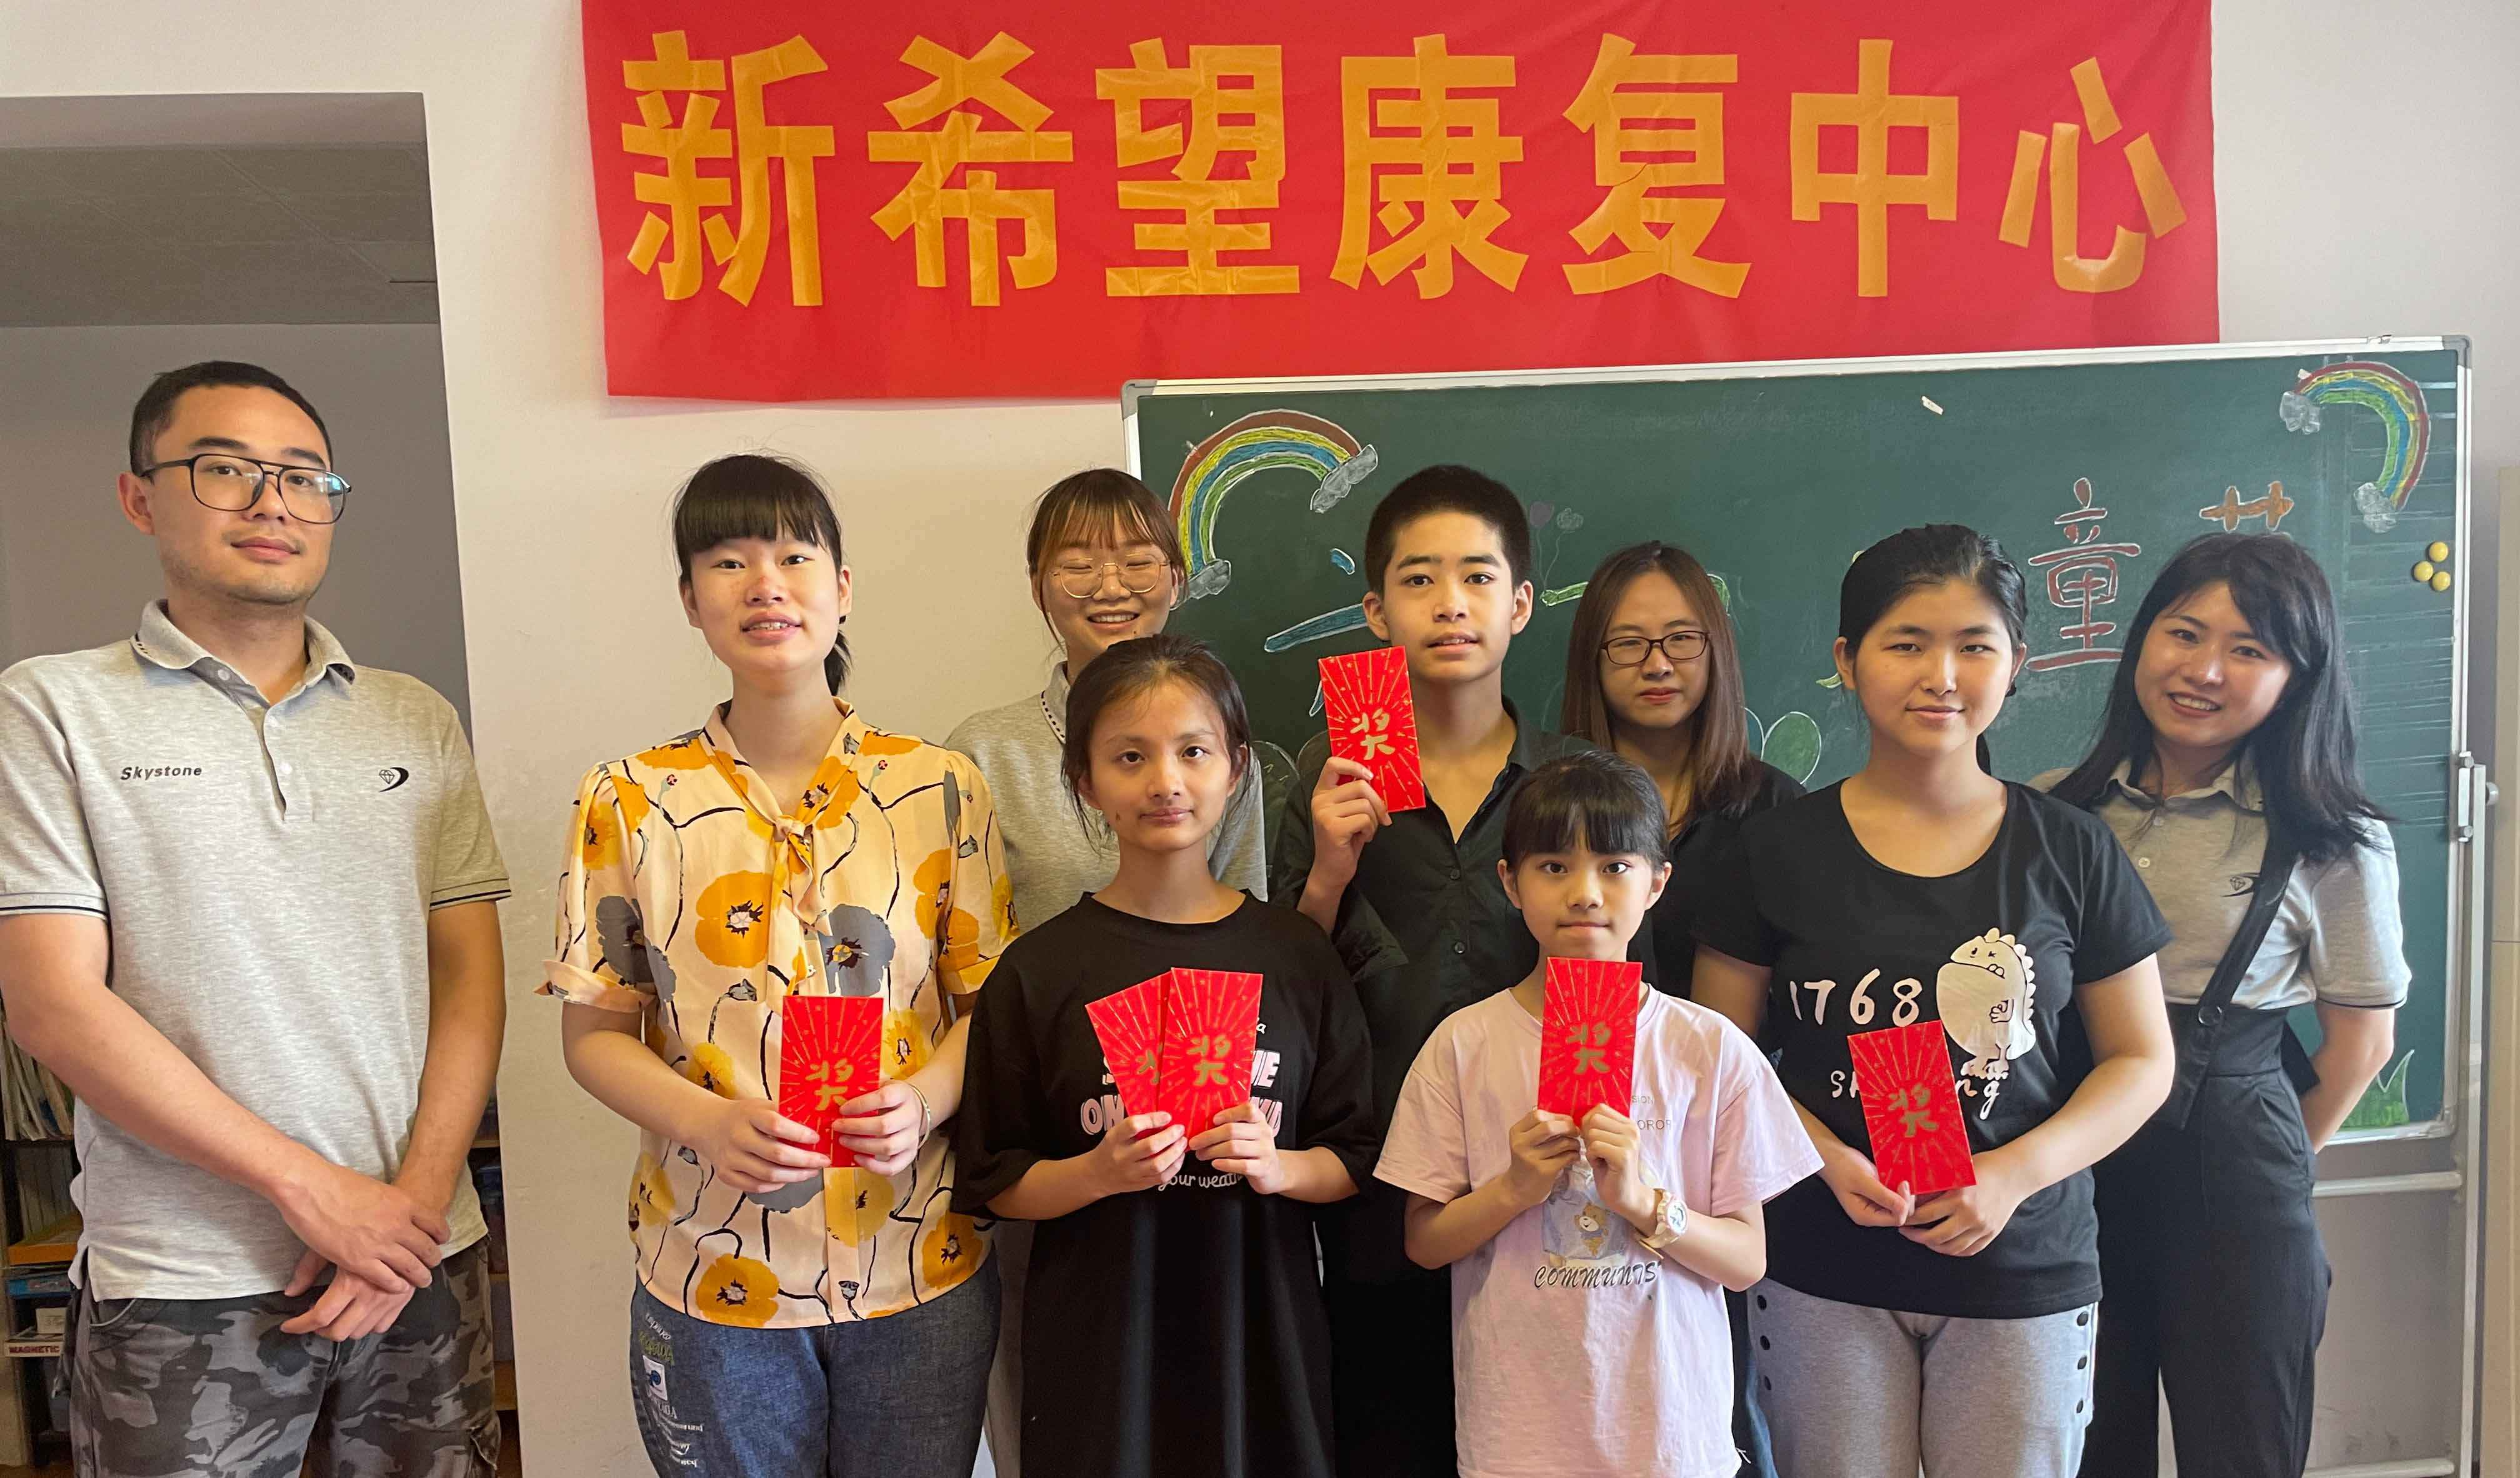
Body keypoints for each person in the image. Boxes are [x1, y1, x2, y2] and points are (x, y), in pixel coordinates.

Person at [0, 361, 507, 1473]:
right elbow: (50, 1002)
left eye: (304, 477)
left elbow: (470, 979)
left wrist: (413, 1205)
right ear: (140, 497)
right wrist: (312, 1192)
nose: (274, 502)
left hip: (418, 1256)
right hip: (184, 1279)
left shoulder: (414, 717)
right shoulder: (54, 707)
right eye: (225, 470)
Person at [544, 454, 1011, 1477]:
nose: (765, 583)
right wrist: (706, 1120)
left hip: (917, 1257)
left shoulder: (940, 786)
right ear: (689, 599)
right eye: (728, 561)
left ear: (841, 588)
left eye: (795, 557)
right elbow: (594, 1032)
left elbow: (990, 1008)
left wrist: (925, 1099)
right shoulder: (628, 798)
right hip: (710, 1265)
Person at [1691, 524, 2176, 1478]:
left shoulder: (2071, 848)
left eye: (1975, 646)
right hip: (1823, 1260)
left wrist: (2013, 1174)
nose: (1941, 675)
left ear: (2017, 664)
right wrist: (1821, 1157)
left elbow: (2142, 1060)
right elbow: (1719, 1056)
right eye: (1907, 643)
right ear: (1848, 660)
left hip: (2022, 1267)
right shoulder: (1772, 851)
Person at [955, 634, 1375, 1478]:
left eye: (1193, 751)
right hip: (1103, 1355)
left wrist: (1280, 1165)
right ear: (1084, 781)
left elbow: (1354, 1155)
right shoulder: (1039, 971)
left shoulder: (1296, 954)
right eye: (1129, 756)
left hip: (1263, 1341)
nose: (1165, 781)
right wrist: (1096, 1172)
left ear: (1237, 768)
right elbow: (998, 1179)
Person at [2044, 533, 2405, 1478]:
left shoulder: (2333, 838)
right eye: (2184, 632)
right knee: (2083, 1446)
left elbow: (2362, 1046)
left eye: (2249, 649)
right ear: (2141, 641)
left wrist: (2267, 1167)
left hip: (2238, 1175)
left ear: (2297, 677)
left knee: (2242, 1450)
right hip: (2070, 1175)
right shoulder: (2052, 811)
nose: (2203, 670)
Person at [1271, 464, 1592, 1478]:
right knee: (1386, 1438)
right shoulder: (1327, 779)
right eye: (1419, 580)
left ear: (1520, 604)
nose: (1450, 603)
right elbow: (1286, 993)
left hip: (1542, 1177)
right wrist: (1329, 871)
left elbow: (1614, 977)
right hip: (1377, 1181)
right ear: (1376, 612)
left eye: (1477, 577)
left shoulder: (1576, 786)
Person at [944, 468, 1267, 1478]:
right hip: (1047, 1119)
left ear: (1177, 577)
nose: (1109, 582)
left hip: (1199, 1123)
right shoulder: (981, 753)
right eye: (1076, 561)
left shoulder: (1226, 747)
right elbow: (963, 955)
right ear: (1038, 584)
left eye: (1136, 557)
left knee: (1202, 1392)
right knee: (1055, 1393)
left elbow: (1246, 929)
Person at [1377, 751, 1818, 1478]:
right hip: (1520, 1437)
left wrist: (1645, 1203)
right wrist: (1513, 1189)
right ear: (1510, 882)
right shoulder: (1463, 1044)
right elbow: (1424, 1240)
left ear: (1657, 882)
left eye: (1615, 866)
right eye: (1554, 867)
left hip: (1671, 1435)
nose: (1585, 893)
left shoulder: (1707, 1048)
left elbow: (1748, 1261)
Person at [1558, 541, 1808, 1476]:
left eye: (1680, 640)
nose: (1657, 664)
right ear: (1592, 660)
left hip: (1725, 1166)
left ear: (1717, 651)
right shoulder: (1552, 804)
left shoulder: (1777, 813)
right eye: (1627, 644)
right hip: (1570, 1159)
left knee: (1721, 1407)